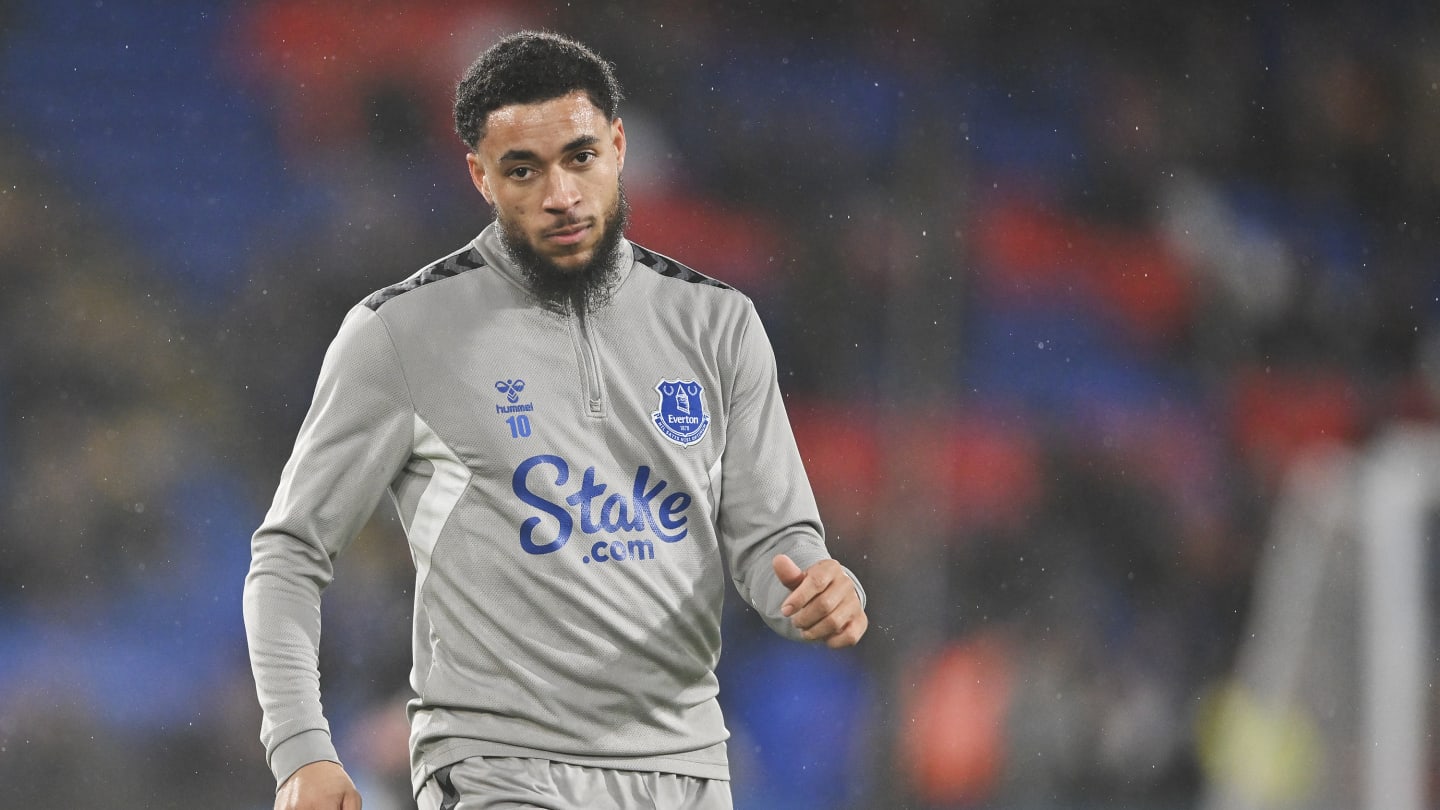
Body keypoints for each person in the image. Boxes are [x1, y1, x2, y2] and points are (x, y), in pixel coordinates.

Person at [243, 30, 868, 810]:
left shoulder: (719, 324)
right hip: (501, 777)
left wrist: (815, 587)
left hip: (683, 776)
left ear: (618, 146)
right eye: (522, 169)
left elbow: (773, 538)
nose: (561, 194)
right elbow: (291, 551)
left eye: (580, 157)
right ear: (480, 175)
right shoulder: (402, 334)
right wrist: (301, 749)